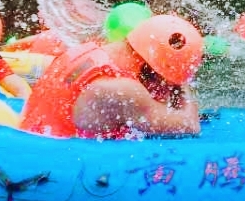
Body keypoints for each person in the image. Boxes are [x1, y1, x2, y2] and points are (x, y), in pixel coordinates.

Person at [20, 14, 205, 139]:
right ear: (154, 70)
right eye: (167, 83)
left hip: (33, 136)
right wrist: (180, 83)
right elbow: (190, 125)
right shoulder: (123, 90)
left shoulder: (89, 50)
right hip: (53, 164)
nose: (165, 89)